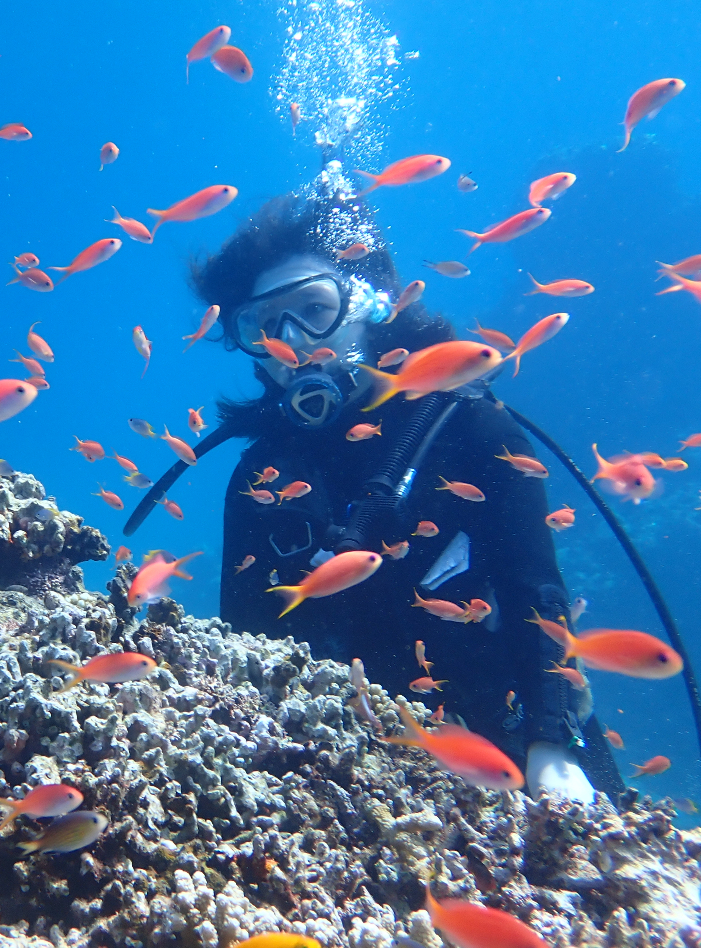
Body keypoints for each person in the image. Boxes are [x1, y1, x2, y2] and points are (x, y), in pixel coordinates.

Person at [190, 183, 621, 801]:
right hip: (331, 780)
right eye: (263, 324)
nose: (296, 338)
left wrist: (552, 747)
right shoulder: (262, 477)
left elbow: (536, 590)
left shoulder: (471, 425)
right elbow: (244, 642)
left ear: (371, 303)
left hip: (507, 753)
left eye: (314, 308)